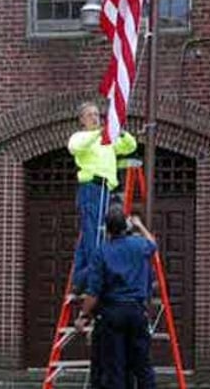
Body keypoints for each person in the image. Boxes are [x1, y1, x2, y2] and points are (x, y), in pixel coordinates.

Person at [77, 205, 157, 389]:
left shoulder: (102, 252)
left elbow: (93, 292)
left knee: (115, 368)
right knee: (142, 365)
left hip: (112, 314)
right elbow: (153, 244)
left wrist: (83, 316)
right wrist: (140, 225)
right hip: (137, 311)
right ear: (126, 226)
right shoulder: (139, 245)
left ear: (107, 229)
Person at [67, 101, 137, 293]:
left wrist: (120, 131)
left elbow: (130, 146)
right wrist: (99, 133)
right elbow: (74, 147)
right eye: (90, 115)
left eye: (97, 114)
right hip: (92, 188)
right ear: (82, 120)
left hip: (106, 189)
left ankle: (80, 280)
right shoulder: (81, 137)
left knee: (89, 237)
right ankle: (94, 282)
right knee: (94, 237)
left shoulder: (107, 139)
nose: (95, 118)